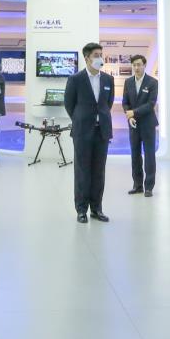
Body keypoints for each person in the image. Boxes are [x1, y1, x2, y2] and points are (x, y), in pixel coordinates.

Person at [62, 42, 115, 223]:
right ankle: (81, 209)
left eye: (101, 54)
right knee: (82, 171)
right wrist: (81, 120)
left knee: (99, 171)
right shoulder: (75, 79)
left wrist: (100, 118)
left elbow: (108, 104)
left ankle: (96, 208)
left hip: (102, 132)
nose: (100, 58)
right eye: (96, 55)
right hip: (82, 132)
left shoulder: (108, 80)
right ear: (87, 58)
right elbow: (69, 104)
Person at [124, 54, 158, 196]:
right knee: (135, 155)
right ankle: (137, 185)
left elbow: (151, 104)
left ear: (144, 65)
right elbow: (125, 102)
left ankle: (148, 187)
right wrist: (129, 116)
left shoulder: (152, 82)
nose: (136, 67)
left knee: (149, 155)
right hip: (133, 124)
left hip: (148, 124)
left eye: (139, 64)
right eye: (134, 65)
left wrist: (134, 112)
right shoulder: (128, 82)